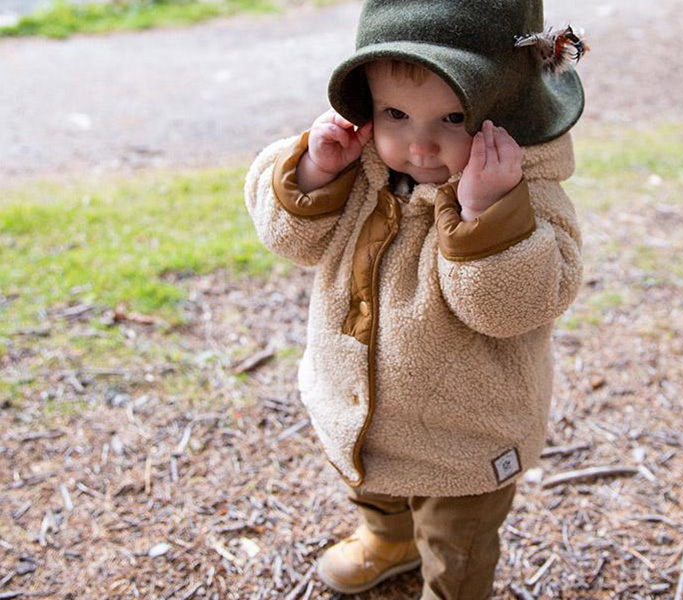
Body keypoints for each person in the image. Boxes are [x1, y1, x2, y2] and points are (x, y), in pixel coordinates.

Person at [244, 0, 586, 597]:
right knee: (372, 488)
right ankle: (387, 538)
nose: (421, 146)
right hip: (360, 411)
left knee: (458, 542)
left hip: (464, 437)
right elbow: (293, 240)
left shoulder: (528, 196)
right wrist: (315, 173)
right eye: (396, 113)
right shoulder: (361, 165)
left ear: (507, 113)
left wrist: (487, 214)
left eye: (454, 119)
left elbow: (511, 308)